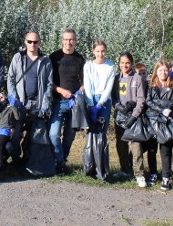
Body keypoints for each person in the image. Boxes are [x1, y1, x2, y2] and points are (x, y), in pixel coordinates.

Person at [6, 31, 53, 163]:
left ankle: (29, 162)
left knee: (34, 136)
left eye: (35, 42)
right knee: (16, 135)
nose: (33, 44)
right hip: (20, 103)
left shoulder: (45, 60)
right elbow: (10, 79)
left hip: (37, 105)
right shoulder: (18, 58)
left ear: (39, 43)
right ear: (25, 42)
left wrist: (45, 105)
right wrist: (14, 99)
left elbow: (49, 85)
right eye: (30, 42)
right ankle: (15, 161)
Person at [49, 28, 85, 175]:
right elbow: (48, 82)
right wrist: (61, 91)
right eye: (66, 39)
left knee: (69, 136)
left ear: (75, 41)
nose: (68, 42)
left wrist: (79, 92)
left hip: (75, 104)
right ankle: (61, 161)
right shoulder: (54, 57)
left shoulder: (80, 59)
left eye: (71, 39)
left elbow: (85, 82)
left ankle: (61, 165)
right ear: (62, 40)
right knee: (53, 135)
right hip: (59, 102)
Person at [111, 52, 149, 184]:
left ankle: (139, 173)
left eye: (127, 62)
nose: (124, 65)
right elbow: (112, 97)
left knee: (136, 146)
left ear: (131, 63)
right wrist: (117, 106)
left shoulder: (137, 78)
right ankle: (124, 169)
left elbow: (141, 100)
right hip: (120, 116)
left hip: (133, 117)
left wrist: (134, 116)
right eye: (122, 62)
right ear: (119, 63)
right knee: (121, 145)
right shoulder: (116, 78)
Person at [82, 40, 115, 180]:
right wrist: (91, 104)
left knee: (101, 133)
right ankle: (90, 166)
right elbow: (87, 84)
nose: (100, 54)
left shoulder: (110, 66)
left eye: (103, 51)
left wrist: (100, 104)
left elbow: (109, 86)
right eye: (98, 51)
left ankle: (101, 168)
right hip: (91, 100)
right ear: (93, 51)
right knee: (91, 132)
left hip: (104, 102)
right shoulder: (88, 65)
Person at [146, 60, 173, 190]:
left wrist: (159, 104)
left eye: (165, 70)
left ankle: (165, 177)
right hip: (152, 120)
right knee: (152, 149)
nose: (163, 73)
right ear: (156, 72)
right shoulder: (151, 85)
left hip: (166, 122)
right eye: (160, 71)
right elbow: (148, 101)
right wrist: (161, 108)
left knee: (165, 150)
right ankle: (153, 173)